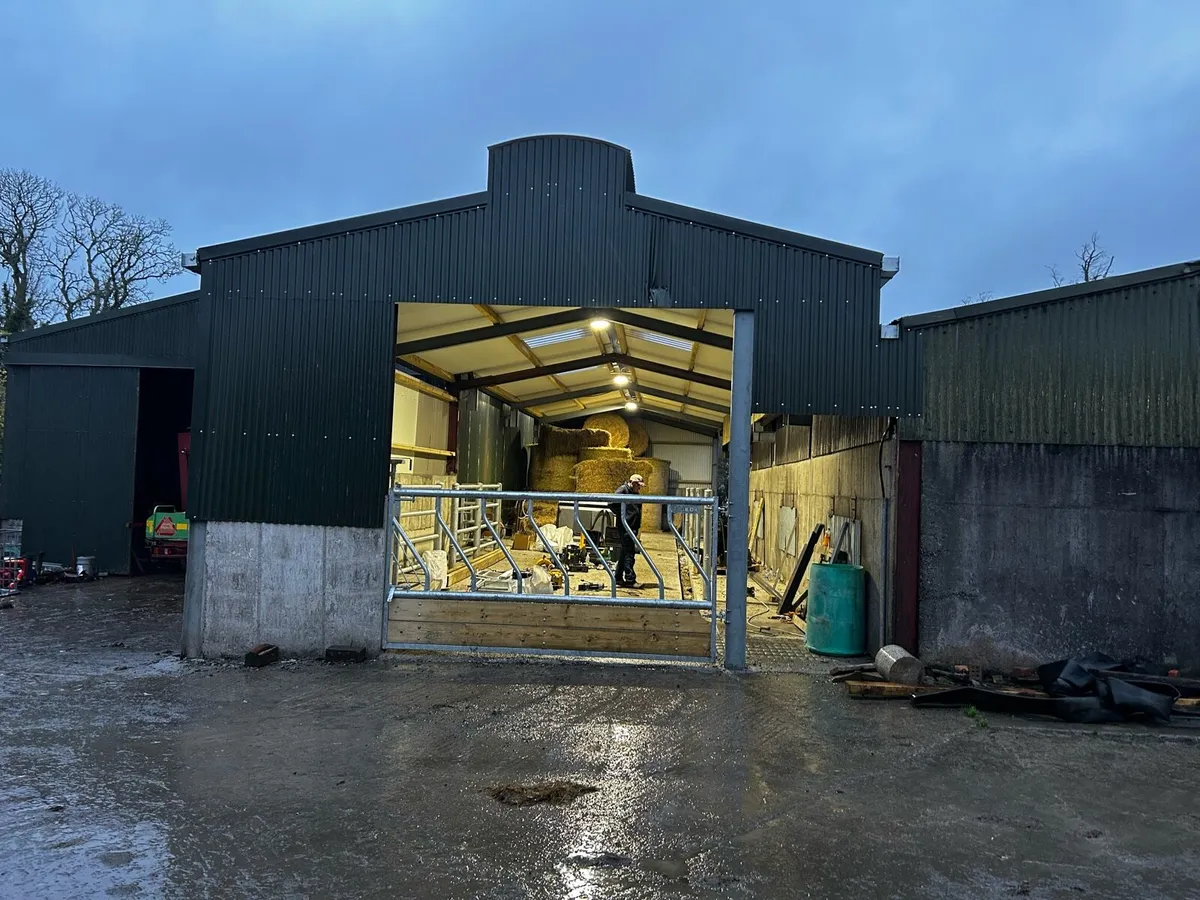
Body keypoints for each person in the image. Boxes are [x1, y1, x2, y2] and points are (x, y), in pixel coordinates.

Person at [609, 474, 644, 587]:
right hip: (626, 526)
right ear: (632, 483)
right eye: (638, 486)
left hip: (632, 525)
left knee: (625, 552)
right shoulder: (622, 490)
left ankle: (618, 578)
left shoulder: (634, 493)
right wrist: (623, 515)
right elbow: (611, 503)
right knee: (629, 553)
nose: (639, 488)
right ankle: (630, 579)